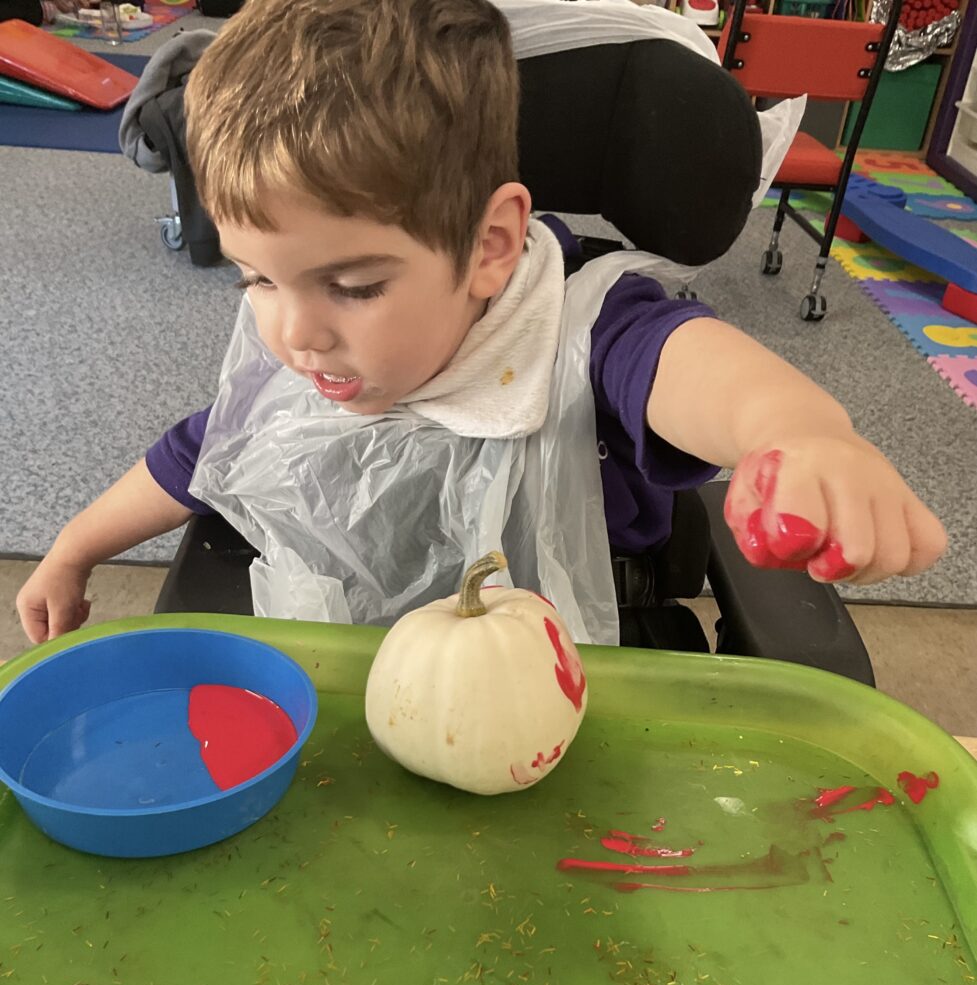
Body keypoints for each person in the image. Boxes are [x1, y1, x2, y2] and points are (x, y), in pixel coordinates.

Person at [17, 0, 946, 645]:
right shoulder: (306, 337)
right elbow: (205, 449)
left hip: (571, 643)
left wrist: (802, 436)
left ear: (492, 244)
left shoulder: (582, 326)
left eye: (353, 285)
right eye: (254, 280)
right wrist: (72, 550)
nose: (295, 334)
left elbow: (691, 366)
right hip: (350, 644)